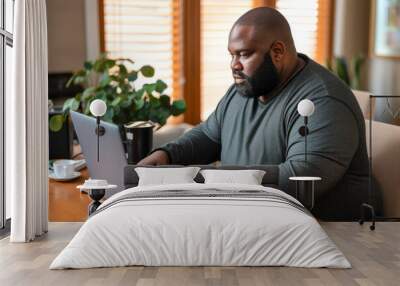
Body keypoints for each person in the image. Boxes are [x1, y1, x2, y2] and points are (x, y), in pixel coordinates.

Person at [138, 7, 370, 219]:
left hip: (328, 230)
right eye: (232, 55)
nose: (234, 65)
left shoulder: (323, 99)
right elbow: (209, 135)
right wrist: (168, 156)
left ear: (278, 52)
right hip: (250, 215)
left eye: (244, 54)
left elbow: (302, 179)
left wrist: (209, 180)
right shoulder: (245, 89)